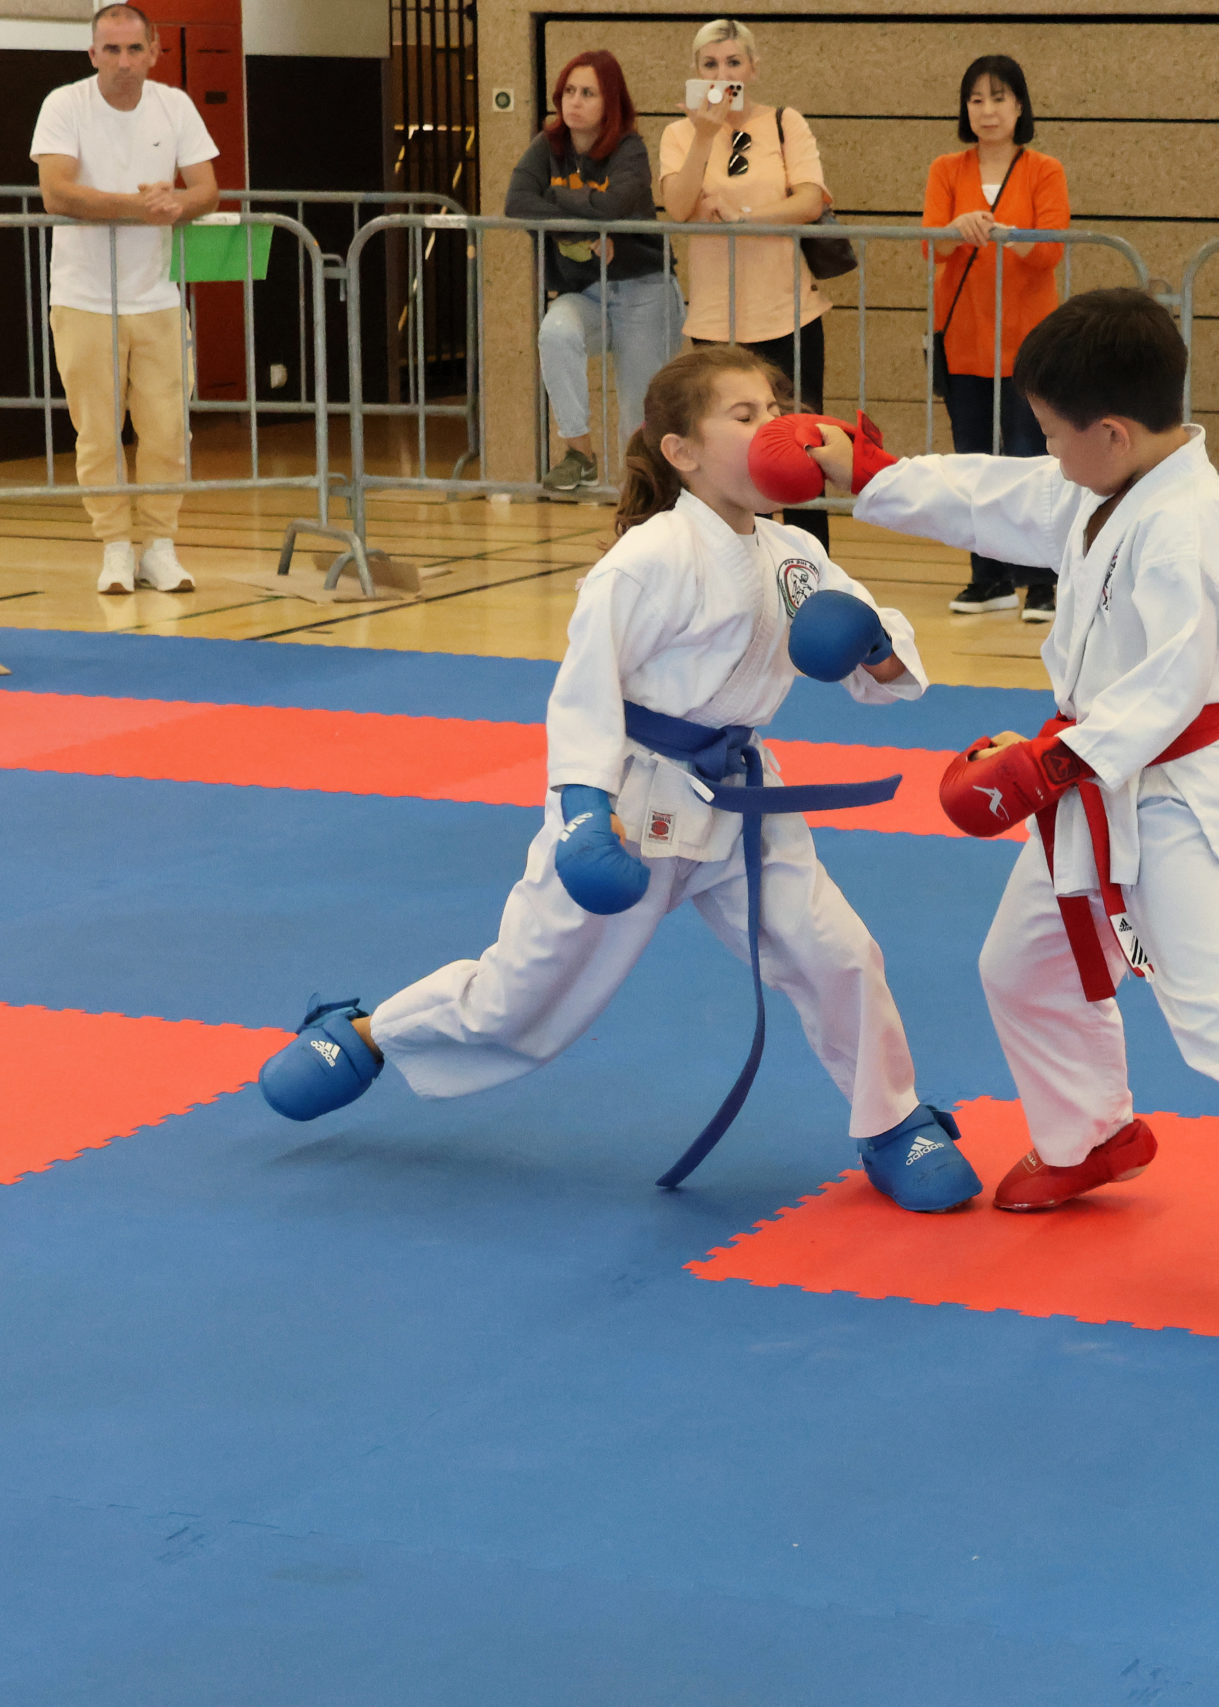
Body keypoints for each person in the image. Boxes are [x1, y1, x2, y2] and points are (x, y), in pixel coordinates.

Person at [780, 289, 1219, 1333]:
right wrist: (871, 474)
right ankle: (1091, 1136)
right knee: (1019, 967)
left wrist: (1043, 765)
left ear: (1109, 431)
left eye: (1054, 433)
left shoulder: (1185, 526)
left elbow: (1172, 685)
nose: (1048, 453)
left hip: (1169, 798)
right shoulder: (1111, 481)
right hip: (1088, 783)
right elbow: (995, 495)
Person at [254, 345, 980, 1216]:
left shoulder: (797, 555)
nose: (773, 428)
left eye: (776, 410)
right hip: (635, 799)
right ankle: (369, 1033)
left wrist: (875, 642)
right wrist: (584, 812)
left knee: (837, 951)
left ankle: (894, 1121)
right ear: (682, 451)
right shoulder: (649, 557)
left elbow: (887, 671)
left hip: (742, 797)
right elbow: (585, 690)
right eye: (744, 415)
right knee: (522, 1000)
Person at [30, 3, 218, 596]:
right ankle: (114, 546)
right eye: (111, 49)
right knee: (97, 432)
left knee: (167, 430)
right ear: (93, 54)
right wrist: (141, 206)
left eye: (135, 48)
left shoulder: (175, 105)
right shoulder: (64, 105)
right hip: (83, 296)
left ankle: (159, 546)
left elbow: (207, 189)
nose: (123, 61)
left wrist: (176, 203)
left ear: (154, 52)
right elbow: (57, 192)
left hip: (157, 295)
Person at [656, 19, 836, 545]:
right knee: (725, 455)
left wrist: (746, 217)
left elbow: (809, 200)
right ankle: (735, 560)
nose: (723, 74)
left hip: (788, 312)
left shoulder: (784, 122)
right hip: (717, 318)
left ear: (753, 69)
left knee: (800, 449)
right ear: (696, 72)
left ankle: (808, 569)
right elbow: (679, 206)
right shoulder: (679, 134)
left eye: (733, 62)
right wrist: (704, 134)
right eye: (710, 64)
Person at [924, 54, 1069, 622]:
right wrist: (957, 231)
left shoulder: (1043, 169)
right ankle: (989, 578)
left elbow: (1051, 248)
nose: (987, 110)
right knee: (974, 461)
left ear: (1020, 106)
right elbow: (931, 245)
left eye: (999, 98)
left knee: (1033, 460)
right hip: (964, 337)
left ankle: (1043, 580)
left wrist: (1009, 236)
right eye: (976, 99)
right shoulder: (946, 169)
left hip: (1029, 341)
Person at [507, 48, 683, 496]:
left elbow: (612, 205)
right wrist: (588, 226)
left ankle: (644, 504)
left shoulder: (629, 149)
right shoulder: (547, 146)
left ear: (610, 102)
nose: (575, 101)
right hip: (586, 292)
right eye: (569, 90)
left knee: (637, 417)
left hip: (644, 290)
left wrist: (557, 198)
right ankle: (580, 455)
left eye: (588, 93)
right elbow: (518, 204)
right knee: (555, 333)